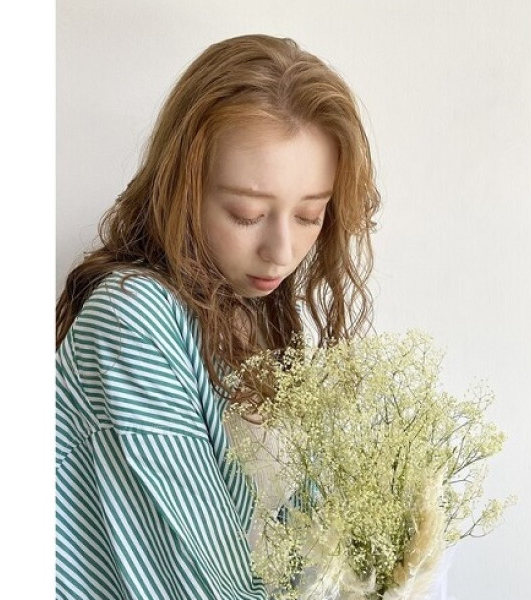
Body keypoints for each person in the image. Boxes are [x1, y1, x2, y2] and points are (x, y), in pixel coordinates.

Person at [55, 34, 380, 599]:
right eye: (246, 214)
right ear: (181, 189)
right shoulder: (132, 318)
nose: (281, 251)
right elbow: (195, 577)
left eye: (310, 215)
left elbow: (294, 551)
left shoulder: (256, 320)